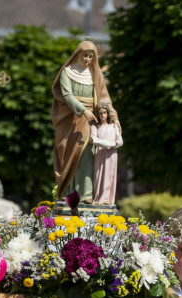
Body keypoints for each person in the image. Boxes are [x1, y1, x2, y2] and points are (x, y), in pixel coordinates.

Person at [52, 40, 117, 204]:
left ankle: (86, 193)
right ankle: (68, 192)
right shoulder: (67, 72)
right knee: (69, 154)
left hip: (91, 118)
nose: (87, 59)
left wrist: (114, 117)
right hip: (70, 118)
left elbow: (104, 98)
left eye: (91, 56)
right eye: (85, 55)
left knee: (88, 150)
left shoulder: (95, 74)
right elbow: (67, 95)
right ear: (77, 54)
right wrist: (82, 110)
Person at [90, 103, 123, 205]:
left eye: (104, 113)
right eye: (100, 113)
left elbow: (120, 140)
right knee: (99, 175)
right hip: (100, 154)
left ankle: (108, 199)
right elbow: (93, 139)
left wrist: (114, 144)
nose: (103, 115)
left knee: (110, 175)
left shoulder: (114, 126)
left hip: (112, 154)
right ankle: (99, 197)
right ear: (98, 115)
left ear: (108, 113)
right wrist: (110, 143)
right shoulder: (95, 127)